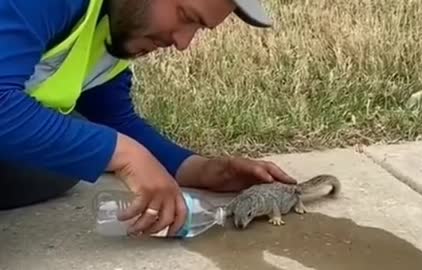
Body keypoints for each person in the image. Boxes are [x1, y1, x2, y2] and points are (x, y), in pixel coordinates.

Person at [0, 0, 297, 237]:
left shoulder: (110, 27)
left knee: (58, 161)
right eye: (186, 15)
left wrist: (201, 170)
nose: (183, 42)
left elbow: (115, 119)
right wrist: (124, 155)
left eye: (199, 28)